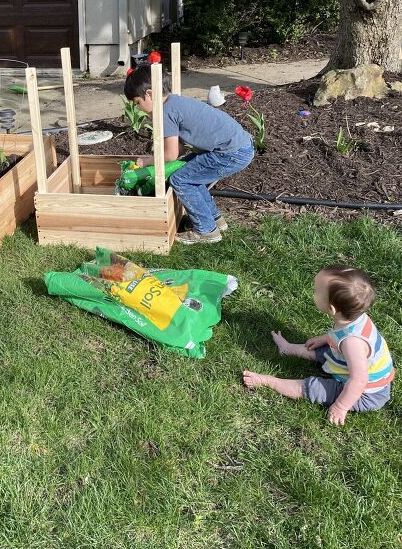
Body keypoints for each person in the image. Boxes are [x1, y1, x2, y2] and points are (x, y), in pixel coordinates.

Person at [243, 266, 395, 425]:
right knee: (324, 351)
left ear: (332, 308)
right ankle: (287, 349)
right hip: (350, 366)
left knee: (314, 388)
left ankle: (269, 381)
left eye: (316, 291)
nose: (313, 292)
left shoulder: (353, 343)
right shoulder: (355, 317)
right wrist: (326, 339)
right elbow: (342, 334)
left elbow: (358, 381)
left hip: (366, 394)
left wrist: (341, 407)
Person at [124, 64, 254, 244]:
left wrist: (146, 161)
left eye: (138, 103)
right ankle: (215, 219)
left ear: (150, 94)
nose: (138, 108)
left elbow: (170, 155)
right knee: (191, 172)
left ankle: (207, 231)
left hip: (230, 152)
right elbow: (181, 149)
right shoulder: (174, 102)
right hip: (237, 146)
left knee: (181, 180)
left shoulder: (165, 112)